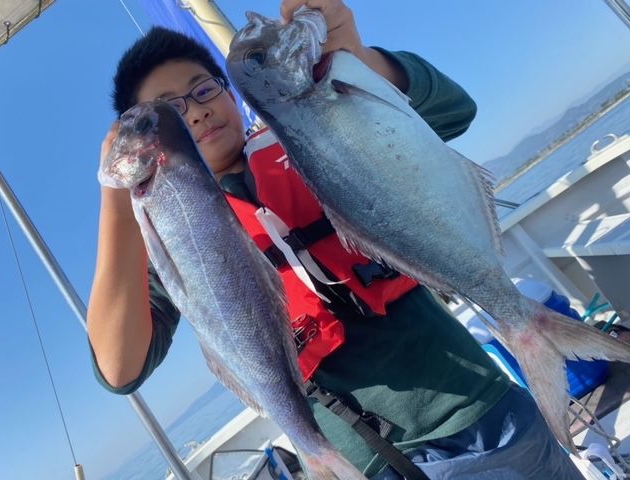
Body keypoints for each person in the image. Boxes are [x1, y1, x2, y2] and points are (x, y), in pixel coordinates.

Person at [87, 1, 584, 478]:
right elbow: (120, 370)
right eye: (171, 112)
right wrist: (116, 190)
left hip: (483, 413)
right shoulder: (173, 243)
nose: (195, 112)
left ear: (230, 91)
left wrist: (356, 58)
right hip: (362, 461)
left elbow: (455, 111)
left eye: (203, 90)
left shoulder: (315, 127)